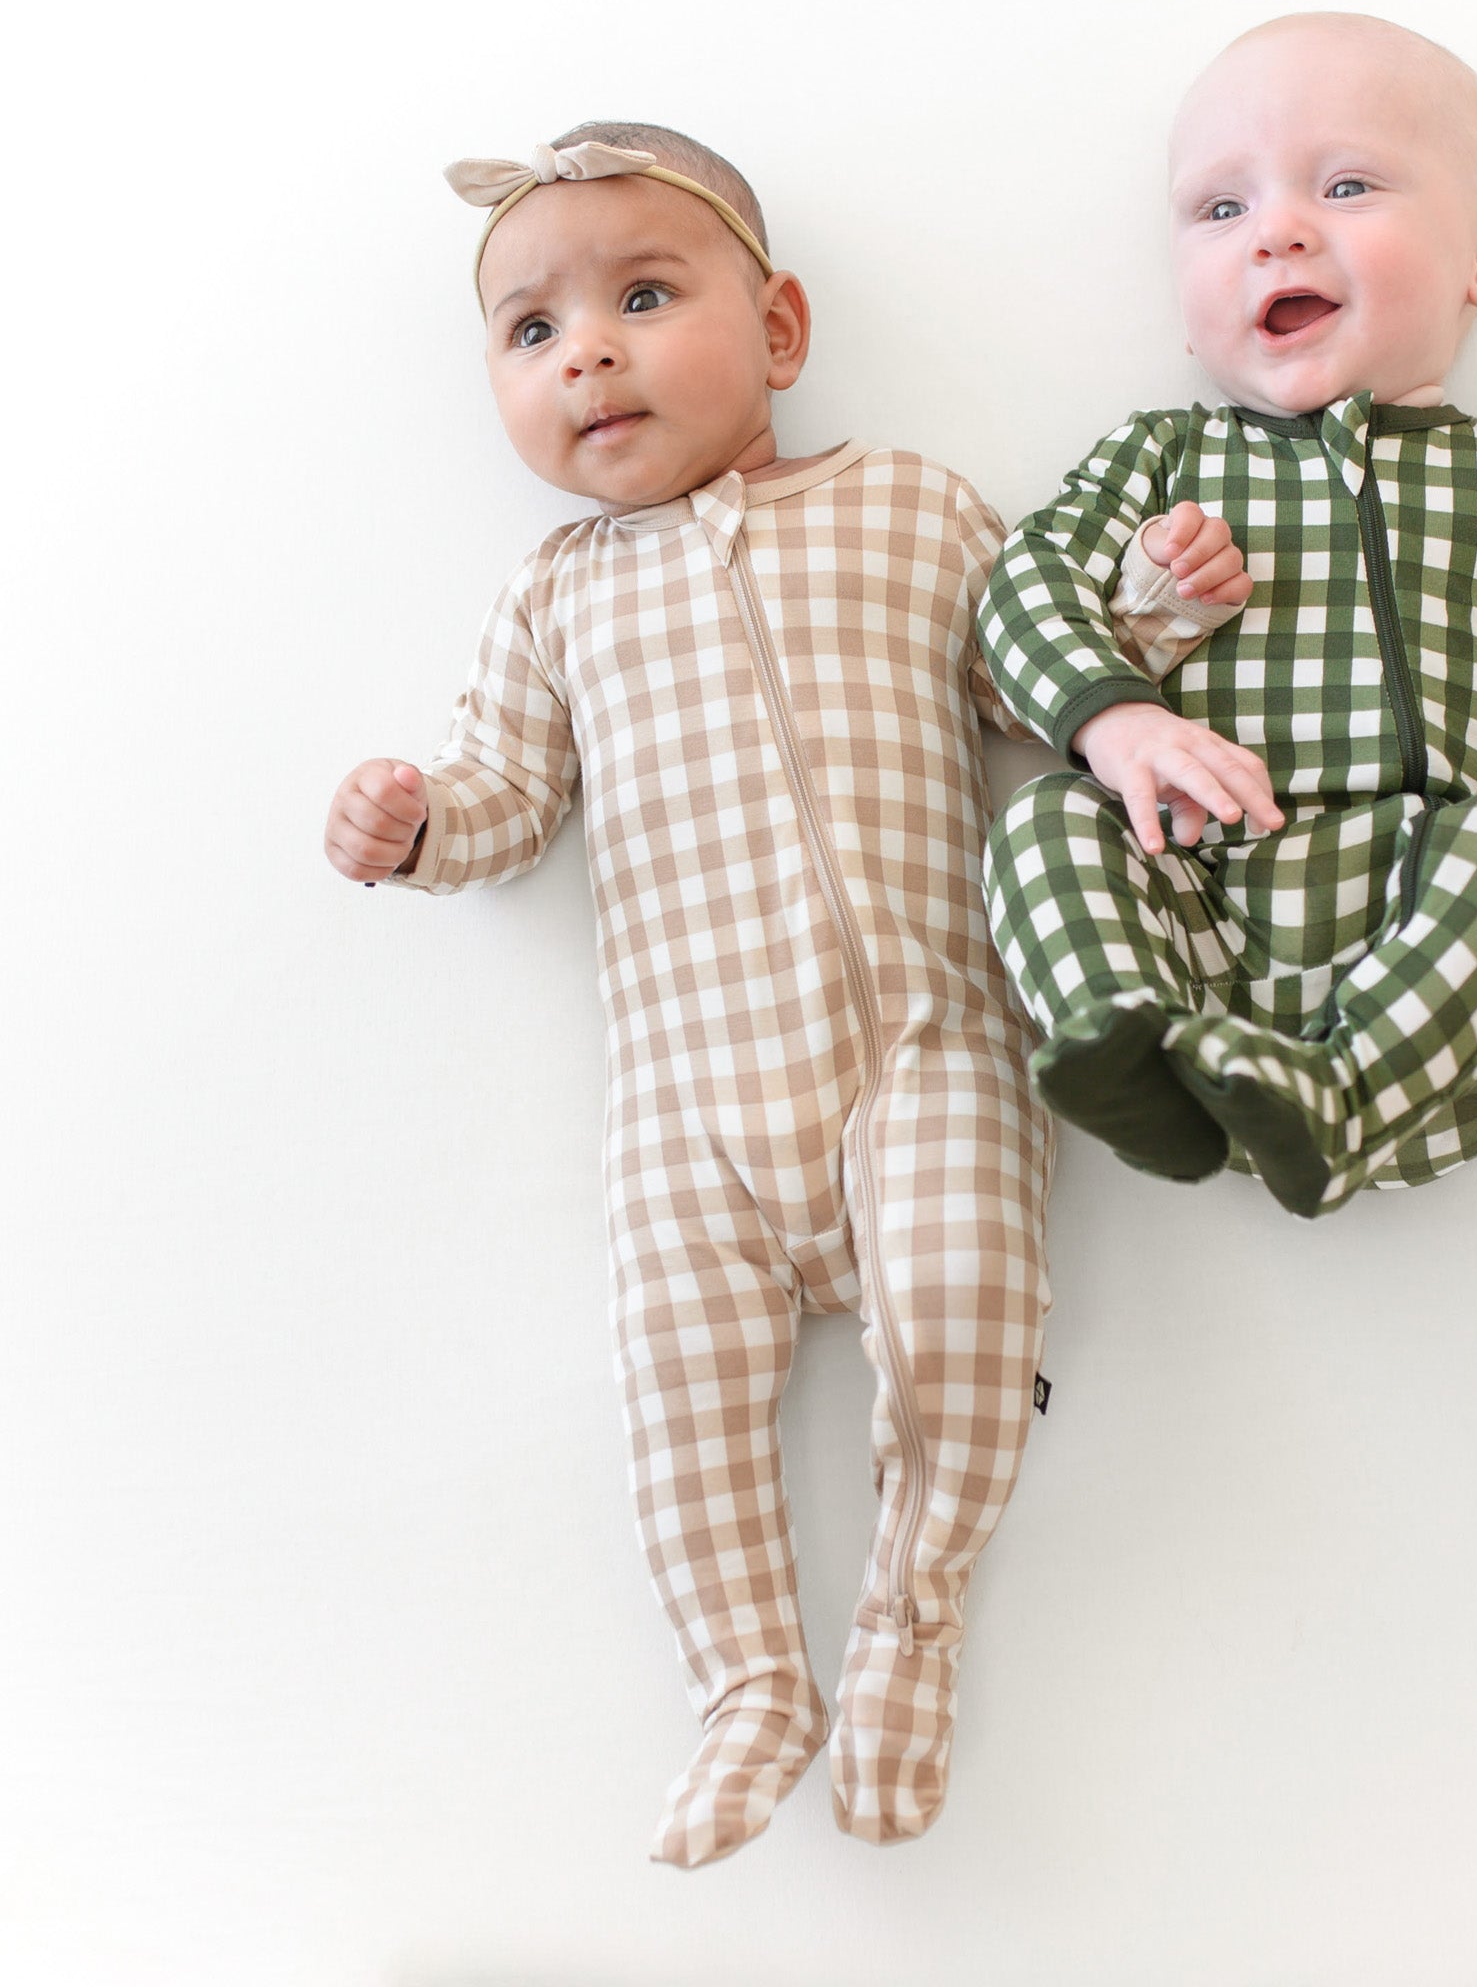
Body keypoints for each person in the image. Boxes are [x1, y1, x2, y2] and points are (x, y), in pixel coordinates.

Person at [322, 125, 1055, 1866]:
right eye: (529, 329)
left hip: (920, 1047)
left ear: (779, 328)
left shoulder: (911, 503)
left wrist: (1152, 624)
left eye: (642, 296)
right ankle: (749, 1679)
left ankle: (906, 1627)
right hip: (685, 1112)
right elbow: (505, 794)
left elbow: (1041, 674)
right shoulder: (558, 597)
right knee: (678, 1399)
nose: (586, 350)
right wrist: (420, 821)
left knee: (965, 1314)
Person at [977, 14, 1477, 1216]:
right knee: (1047, 819)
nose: (1276, 230)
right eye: (1220, 211)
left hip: (1439, 948)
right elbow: (1028, 578)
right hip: (1197, 896)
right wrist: (1114, 723)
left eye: (1346, 185)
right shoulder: (1161, 456)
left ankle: (1338, 1093)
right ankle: (1138, 1048)